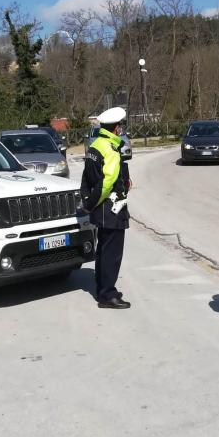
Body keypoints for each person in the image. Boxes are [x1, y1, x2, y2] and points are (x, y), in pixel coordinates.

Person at [80, 107, 132, 309]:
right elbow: (107, 182)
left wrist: (87, 201)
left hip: (100, 209)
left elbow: (87, 178)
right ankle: (108, 295)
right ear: (117, 128)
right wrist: (92, 203)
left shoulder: (95, 145)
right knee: (112, 252)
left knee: (103, 249)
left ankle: (102, 288)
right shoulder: (110, 148)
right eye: (120, 126)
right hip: (111, 208)